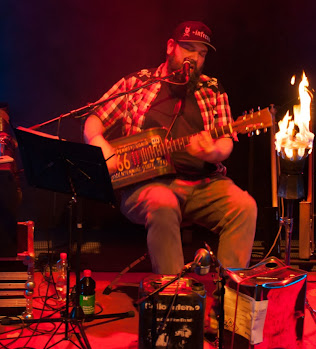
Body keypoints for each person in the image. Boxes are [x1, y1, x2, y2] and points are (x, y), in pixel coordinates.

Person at [84, 20, 257, 275]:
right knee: (163, 201)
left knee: (245, 207)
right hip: (146, 186)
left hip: (203, 184)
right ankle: (173, 296)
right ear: (170, 47)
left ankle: (230, 298)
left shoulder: (212, 89)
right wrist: (99, 143)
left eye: (202, 53)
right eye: (189, 48)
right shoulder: (137, 83)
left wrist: (211, 152)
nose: (195, 58)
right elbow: (93, 119)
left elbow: (226, 141)